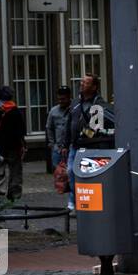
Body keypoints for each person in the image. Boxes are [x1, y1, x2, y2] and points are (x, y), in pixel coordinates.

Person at [66, 75, 115, 211]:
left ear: (94, 87)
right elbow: (69, 123)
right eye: (81, 82)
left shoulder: (98, 104)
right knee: (70, 172)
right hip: (74, 144)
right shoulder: (75, 102)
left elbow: (95, 129)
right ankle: (74, 198)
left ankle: (80, 202)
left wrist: (86, 133)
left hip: (89, 147)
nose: (81, 84)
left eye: (86, 83)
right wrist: (65, 143)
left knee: (84, 174)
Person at [45, 85, 72, 194]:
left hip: (70, 146)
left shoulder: (74, 109)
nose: (61, 101)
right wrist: (52, 143)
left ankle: (70, 187)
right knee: (57, 169)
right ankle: (62, 187)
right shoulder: (53, 111)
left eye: (63, 99)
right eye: (59, 99)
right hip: (58, 146)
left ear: (69, 97)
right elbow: (49, 127)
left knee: (70, 169)